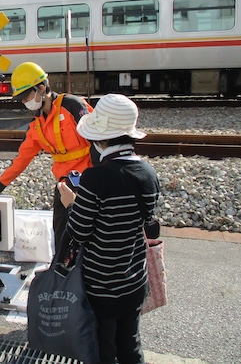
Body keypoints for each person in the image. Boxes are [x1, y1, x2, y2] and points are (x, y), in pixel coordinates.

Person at [58, 93, 160, 364]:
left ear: (100, 138)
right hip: (135, 279)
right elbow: (137, 219)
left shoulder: (95, 178)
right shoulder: (149, 174)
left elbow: (80, 232)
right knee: (130, 344)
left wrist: (71, 204)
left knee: (103, 347)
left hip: (101, 285)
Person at [0, 61, 96, 250]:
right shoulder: (37, 125)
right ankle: (61, 271)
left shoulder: (73, 106)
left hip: (90, 181)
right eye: (22, 99)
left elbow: (98, 140)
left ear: (42, 88)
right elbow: (22, 159)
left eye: (26, 96)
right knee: (62, 234)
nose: (25, 102)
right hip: (64, 184)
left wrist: (102, 177)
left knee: (88, 234)